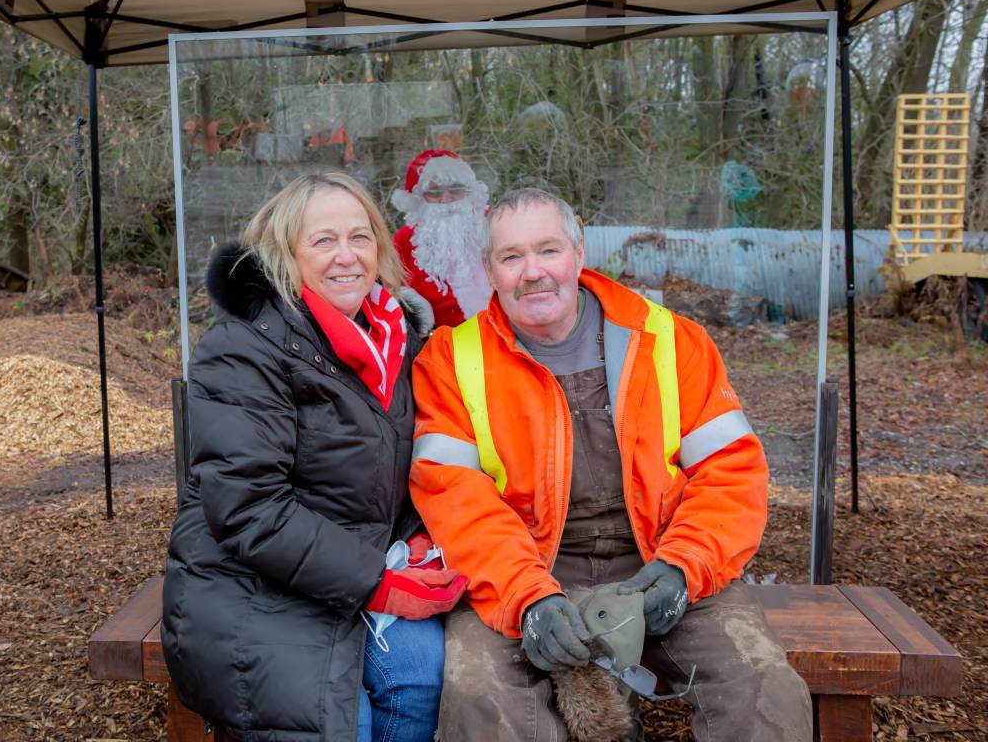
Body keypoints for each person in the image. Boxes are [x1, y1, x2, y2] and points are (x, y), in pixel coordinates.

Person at [408, 188, 812, 741]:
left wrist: (683, 567)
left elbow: (731, 473)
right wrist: (528, 600)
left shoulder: (671, 342)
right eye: (511, 257)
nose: (533, 273)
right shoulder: (452, 361)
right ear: (489, 271)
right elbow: (456, 501)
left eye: (548, 251)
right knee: (480, 696)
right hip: (525, 568)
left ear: (577, 253)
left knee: (764, 688)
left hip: (661, 562)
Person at [163, 172, 465, 742]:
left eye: (361, 238)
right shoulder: (244, 348)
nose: (346, 257)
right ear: (285, 253)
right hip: (253, 576)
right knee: (339, 721)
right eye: (323, 241)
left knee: (423, 676)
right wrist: (375, 580)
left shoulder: (400, 341)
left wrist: (422, 532)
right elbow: (249, 509)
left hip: (361, 559)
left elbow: (408, 466)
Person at [391, 149, 493, 328]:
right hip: (438, 341)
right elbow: (388, 289)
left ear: (468, 191)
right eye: (435, 192)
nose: (446, 199)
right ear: (420, 198)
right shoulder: (405, 240)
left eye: (455, 189)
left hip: (501, 329)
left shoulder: (493, 224)